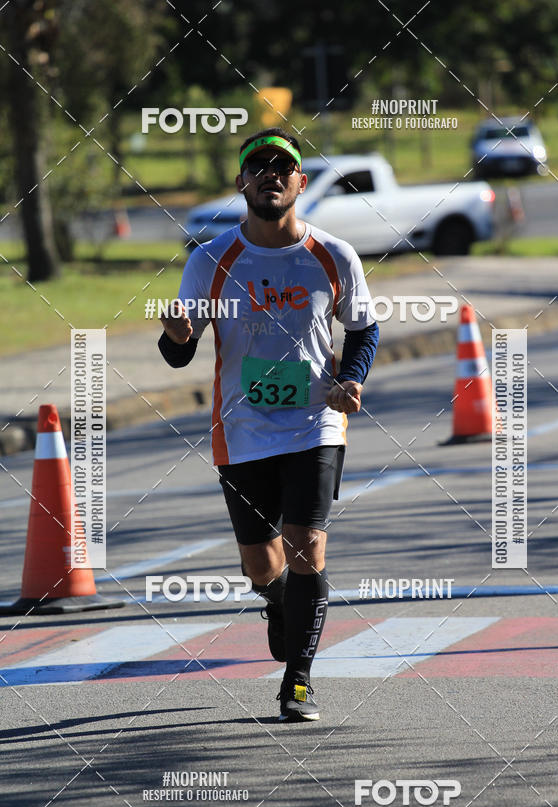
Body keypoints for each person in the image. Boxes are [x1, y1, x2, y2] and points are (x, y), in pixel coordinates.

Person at [159, 127, 378, 722]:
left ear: (301, 183)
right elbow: (181, 348)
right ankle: (280, 604)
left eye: (284, 168)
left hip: (314, 424)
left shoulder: (334, 255)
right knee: (262, 565)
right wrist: (175, 337)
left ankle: (298, 681)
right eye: (259, 167)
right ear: (242, 183)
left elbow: (363, 327)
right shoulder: (211, 260)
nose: (271, 176)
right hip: (243, 429)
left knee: (307, 546)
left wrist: (351, 377)